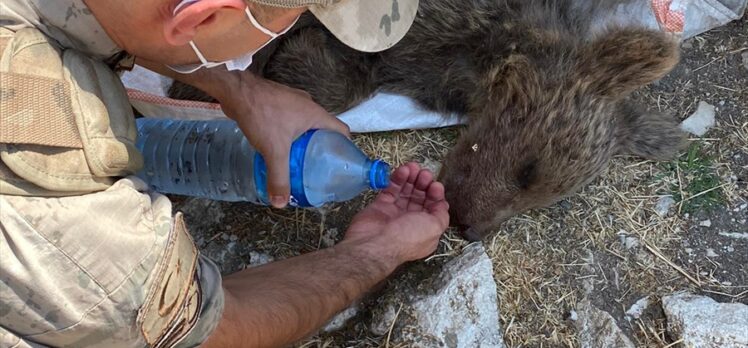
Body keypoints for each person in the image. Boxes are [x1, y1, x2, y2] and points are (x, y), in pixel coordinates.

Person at [0, 0, 450, 347]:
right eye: (293, 19)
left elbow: (127, 16)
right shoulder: (58, 210)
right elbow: (216, 329)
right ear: (205, 16)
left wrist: (239, 88)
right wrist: (378, 250)